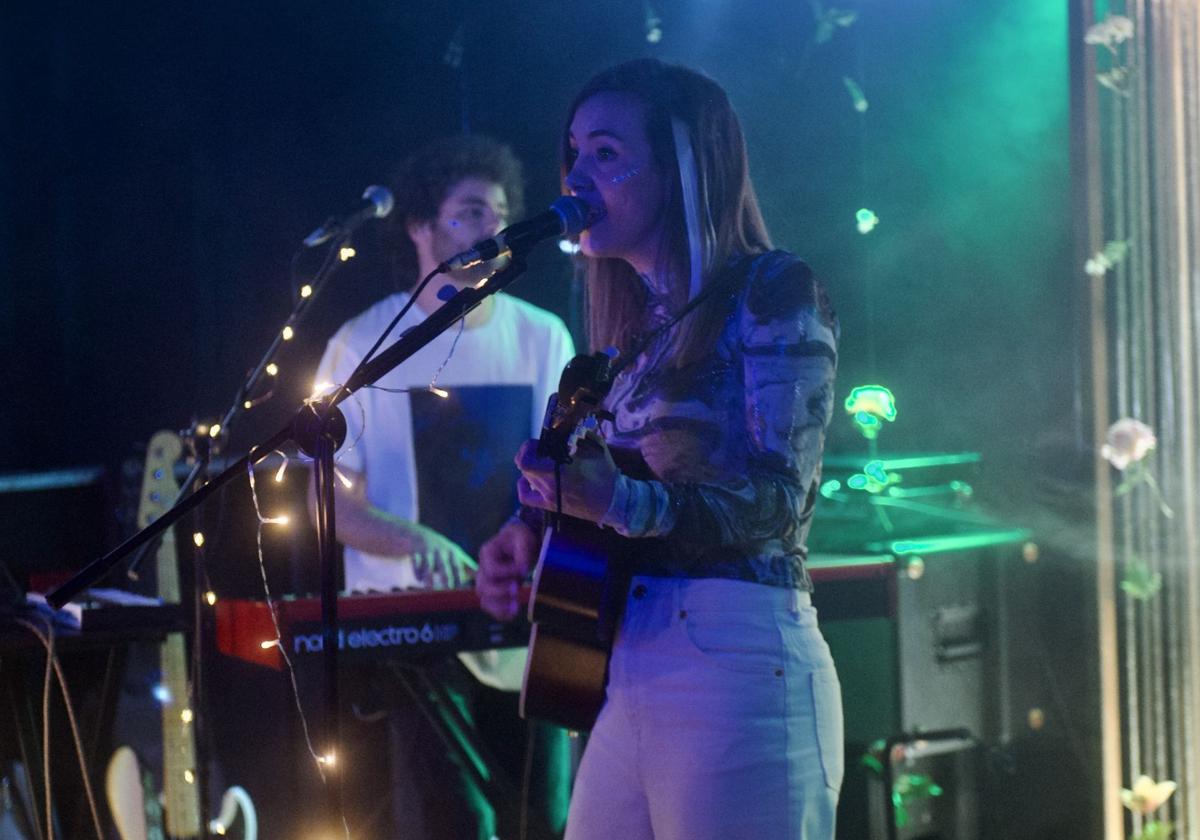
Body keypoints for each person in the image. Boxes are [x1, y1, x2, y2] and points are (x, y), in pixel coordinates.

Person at [477, 59, 844, 839]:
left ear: (684, 165)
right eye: (574, 152)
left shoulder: (772, 290)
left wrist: (617, 500)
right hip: (629, 662)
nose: (577, 176)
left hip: (736, 656)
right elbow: (612, 503)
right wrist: (531, 528)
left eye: (607, 152)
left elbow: (782, 502)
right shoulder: (629, 334)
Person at [312, 134, 575, 839]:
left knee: (545, 820)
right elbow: (329, 502)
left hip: (530, 615)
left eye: (496, 212)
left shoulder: (543, 338)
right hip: (416, 623)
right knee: (451, 822)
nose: (490, 228)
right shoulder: (365, 342)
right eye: (468, 213)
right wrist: (412, 539)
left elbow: (570, 475)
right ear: (421, 227)